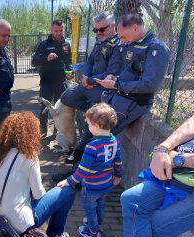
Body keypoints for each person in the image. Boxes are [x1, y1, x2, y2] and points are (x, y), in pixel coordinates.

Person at [54, 14, 170, 182]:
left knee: (99, 139)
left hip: (132, 104)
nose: (121, 41)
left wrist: (117, 84)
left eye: (123, 36)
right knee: (93, 125)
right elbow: (126, 73)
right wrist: (114, 80)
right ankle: (78, 167)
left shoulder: (156, 48)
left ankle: (82, 178)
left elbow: (149, 84)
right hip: (117, 97)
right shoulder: (134, 43)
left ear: (135, 27)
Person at [0, 112, 76, 237]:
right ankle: (54, 236)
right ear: (31, 133)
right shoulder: (29, 155)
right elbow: (39, 193)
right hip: (18, 223)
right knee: (67, 191)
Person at [52, 12, 123, 182]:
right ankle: (90, 111)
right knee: (66, 97)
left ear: (113, 26)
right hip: (87, 86)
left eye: (102, 29)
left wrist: (90, 80)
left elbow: (112, 72)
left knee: (91, 130)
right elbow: (89, 61)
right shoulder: (99, 42)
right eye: (95, 30)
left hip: (101, 90)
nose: (98, 33)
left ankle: (78, 172)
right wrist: (85, 77)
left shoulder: (118, 45)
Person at [120, 113, 194, 237]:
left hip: (183, 166)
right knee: (131, 200)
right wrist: (162, 149)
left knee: (157, 226)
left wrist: (180, 160)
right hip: (183, 173)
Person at [58, 103, 123, 237]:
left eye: (88, 124)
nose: (88, 126)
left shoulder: (92, 146)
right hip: (106, 184)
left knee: (90, 209)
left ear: (97, 125)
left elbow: (82, 171)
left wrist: (68, 182)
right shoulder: (115, 140)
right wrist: (118, 175)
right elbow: (118, 161)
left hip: (92, 186)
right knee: (101, 205)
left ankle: (93, 232)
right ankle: (98, 225)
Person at [32, 19, 73, 137]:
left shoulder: (66, 45)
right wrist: (46, 58)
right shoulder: (44, 44)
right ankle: (43, 130)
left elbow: (68, 61)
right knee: (45, 106)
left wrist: (70, 71)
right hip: (47, 81)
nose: (59, 33)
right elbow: (34, 61)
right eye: (56, 31)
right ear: (51, 30)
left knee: (60, 108)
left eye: (61, 30)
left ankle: (57, 131)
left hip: (61, 82)